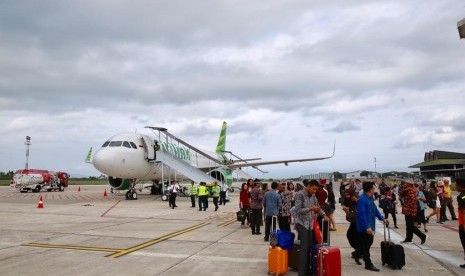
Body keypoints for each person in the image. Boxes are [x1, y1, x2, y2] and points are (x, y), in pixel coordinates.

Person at [353, 181, 388, 272]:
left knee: (368, 243)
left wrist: (382, 218)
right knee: (366, 246)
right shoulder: (362, 200)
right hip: (364, 227)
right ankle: (368, 264)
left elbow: (375, 209)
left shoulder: (370, 198)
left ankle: (356, 254)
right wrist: (367, 226)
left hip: (371, 225)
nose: (375, 190)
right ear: (370, 189)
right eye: (374, 188)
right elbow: (362, 215)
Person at [294, 179, 325, 276]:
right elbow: (298, 210)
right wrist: (310, 209)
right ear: (308, 186)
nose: (314, 191)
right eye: (313, 189)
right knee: (304, 249)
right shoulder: (300, 194)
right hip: (302, 224)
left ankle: (308, 270)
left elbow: (317, 206)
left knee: (310, 248)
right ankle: (301, 273)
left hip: (310, 225)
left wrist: (323, 215)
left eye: (316, 190)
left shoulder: (313, 195)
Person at [399, 180, 427, 244]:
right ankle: (408, 239)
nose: (405, 184)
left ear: (409, 185)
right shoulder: (409, 190)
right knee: (409, 226)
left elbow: (412, 201)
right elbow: (400, 193)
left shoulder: (410, 191)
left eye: (406, 184)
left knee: (410, 226)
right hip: (410, 210)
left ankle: (422, 236)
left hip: (410, 211)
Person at [454, 178, 465, 269]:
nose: (455, 186)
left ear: (461, 186)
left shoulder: (461, 197)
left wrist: (464, 225)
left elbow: (464, 211)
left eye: (456, 185)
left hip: (463, 224)